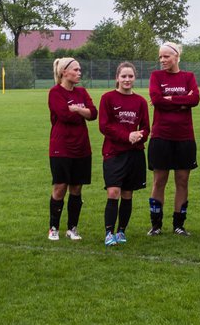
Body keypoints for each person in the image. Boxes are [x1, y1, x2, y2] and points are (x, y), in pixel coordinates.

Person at [147, 42, 200, 235]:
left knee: (182, 181)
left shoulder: (188, 77)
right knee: (159, 180)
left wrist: (171, 100)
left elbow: (195, 99)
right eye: (160, 57)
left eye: (166, 56)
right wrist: (181, 101)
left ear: (177, 57)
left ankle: (179, 225)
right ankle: (156, 225)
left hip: (185, 137)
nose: (162, 60)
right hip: (161, 136)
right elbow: (156, 99)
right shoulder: (156, 76)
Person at [98, 62, 149, 245]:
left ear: (135, 78)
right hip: (113, 153)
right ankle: (109, 233)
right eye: (124, 76)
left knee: (128, 194)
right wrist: (126, 136)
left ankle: (121, 231)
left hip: (134, 154)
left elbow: (145, 128)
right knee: (113, 192)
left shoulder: (141, 102)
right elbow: (104, 126)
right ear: (117, 78)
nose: (127, 80)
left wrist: (139, 136)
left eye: (130, 76)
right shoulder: (108, 98)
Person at [47, 57, 95, 240]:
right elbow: (65, 115)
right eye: (75, 70)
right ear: (63, 72)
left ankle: (72, 229)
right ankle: (53, 228)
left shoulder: (82, 92)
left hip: (82, 147)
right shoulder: (55, 92)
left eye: (80, 70)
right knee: (60, 187)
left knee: (76, 188)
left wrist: (78, 109)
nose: (79, 73)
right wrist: (81, 111)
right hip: (61, 147)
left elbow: (94, 114)